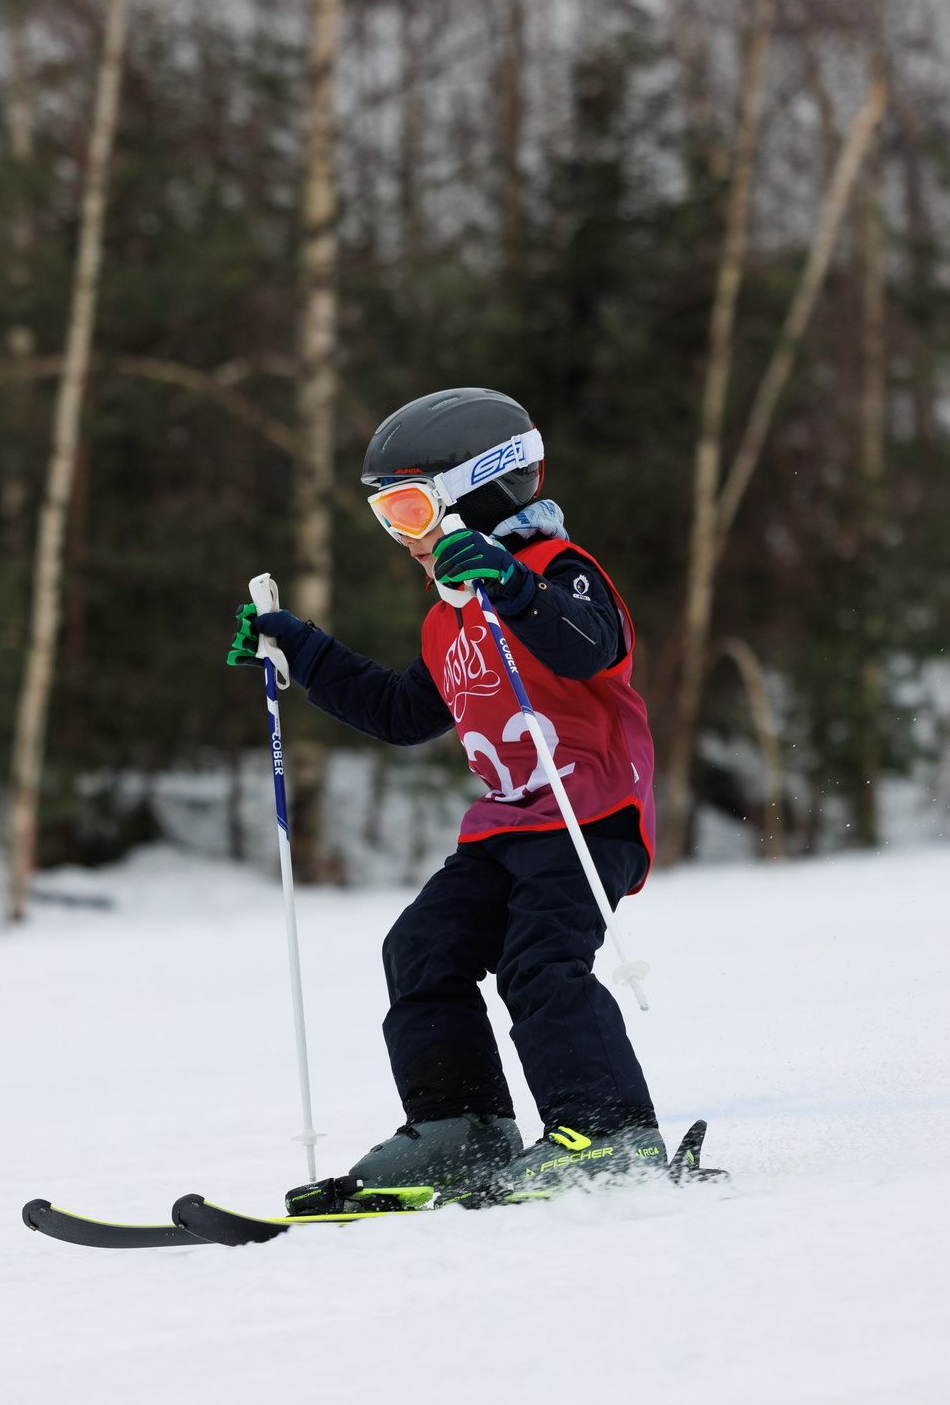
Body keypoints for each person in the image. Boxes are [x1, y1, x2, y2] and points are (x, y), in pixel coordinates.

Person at [227, 387, 664, 1205]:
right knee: (421, 948)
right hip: (504, 830)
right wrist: (306, 653)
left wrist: (515, 588)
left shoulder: (556, 572)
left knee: (539, 962)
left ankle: (608, 1132)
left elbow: (589, 647)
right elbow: (402, 713)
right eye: (388, 517)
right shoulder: (447, 621)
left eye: (409, 509)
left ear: (478, 492)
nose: (404, 537)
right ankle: (462, 1129)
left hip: (590, 819)